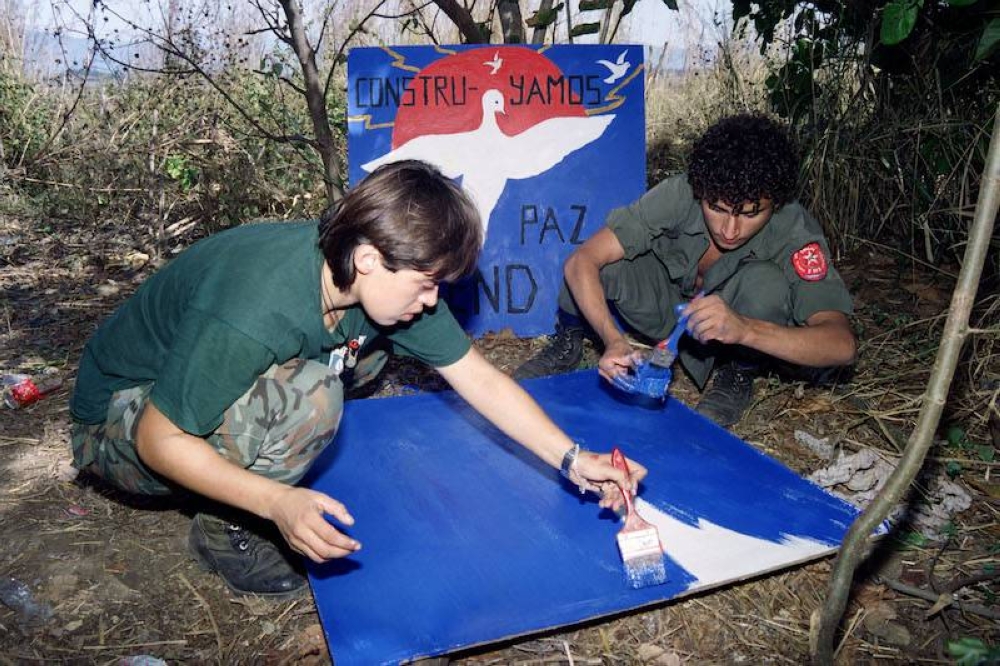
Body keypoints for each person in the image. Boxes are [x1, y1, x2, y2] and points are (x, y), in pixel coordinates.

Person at [69, 160, 646, 600]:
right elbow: (157, 440)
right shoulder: (256, 305)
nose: (432, 300)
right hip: (118, 424)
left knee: (359, 358)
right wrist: (276, 502)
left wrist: (573, 459)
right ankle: (224, 530)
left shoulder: (373, 276)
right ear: (369, 258)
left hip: (183, 392)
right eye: (426, 283)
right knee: (314, 400)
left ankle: (257, 457)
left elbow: (479, 379)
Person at [514, 114, 857, 427]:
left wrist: (745, 331)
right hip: (662, 309)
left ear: (776, 204)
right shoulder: (679, 193)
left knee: (766, 283)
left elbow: (841, 345)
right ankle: (567, 341)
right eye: (717, 208)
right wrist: (613, 340)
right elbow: (582, 261)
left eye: (751, 214)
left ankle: (737, 372)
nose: (730, 230)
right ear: (700, 190)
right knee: (609, 264)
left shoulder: (795, 230)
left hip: (727, 333)